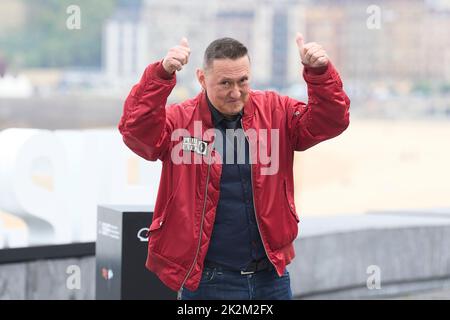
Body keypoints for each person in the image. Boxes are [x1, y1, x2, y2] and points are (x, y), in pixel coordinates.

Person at [118, 33, 350, 300]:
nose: (235, 92)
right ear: (202, 79)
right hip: (208, 281)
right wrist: (160, 76)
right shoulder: (179, 121)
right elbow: (135, 132)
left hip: (271, 277)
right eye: (225, 83)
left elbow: (331, 121)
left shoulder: (277, 111)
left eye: (243, 81)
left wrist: (319, 74)